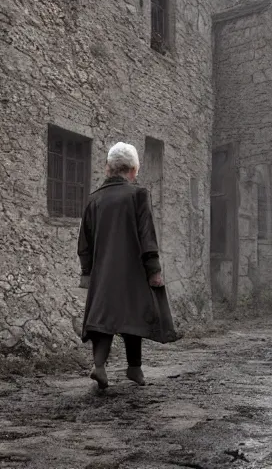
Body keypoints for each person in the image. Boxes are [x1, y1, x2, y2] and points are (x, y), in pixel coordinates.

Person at [77, 142, 164, 390]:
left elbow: (84, 239)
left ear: (108, 168)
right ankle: (134, 368)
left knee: (102, 318)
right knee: (132, 315)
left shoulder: (94, 199)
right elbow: (147, 235)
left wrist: (86, 271)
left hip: (103, 272)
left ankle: (99, 366)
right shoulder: (138, 195)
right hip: (132, 270)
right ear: (133, 170)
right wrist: (154, 269)